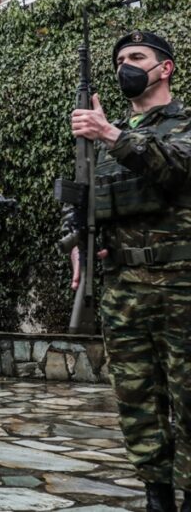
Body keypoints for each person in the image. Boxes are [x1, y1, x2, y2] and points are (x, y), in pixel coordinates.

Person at [68, 30, 191, 512]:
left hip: (182, 284)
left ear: (166, 68)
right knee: (136, 399)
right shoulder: (104, 136)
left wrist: (113, 135)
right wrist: (79, 243)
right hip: (124, 288)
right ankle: (156, 492)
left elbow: (178, 168)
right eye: (119, 59)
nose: (126, 66)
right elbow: (84, 199)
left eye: (137, 57)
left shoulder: (182, 124)